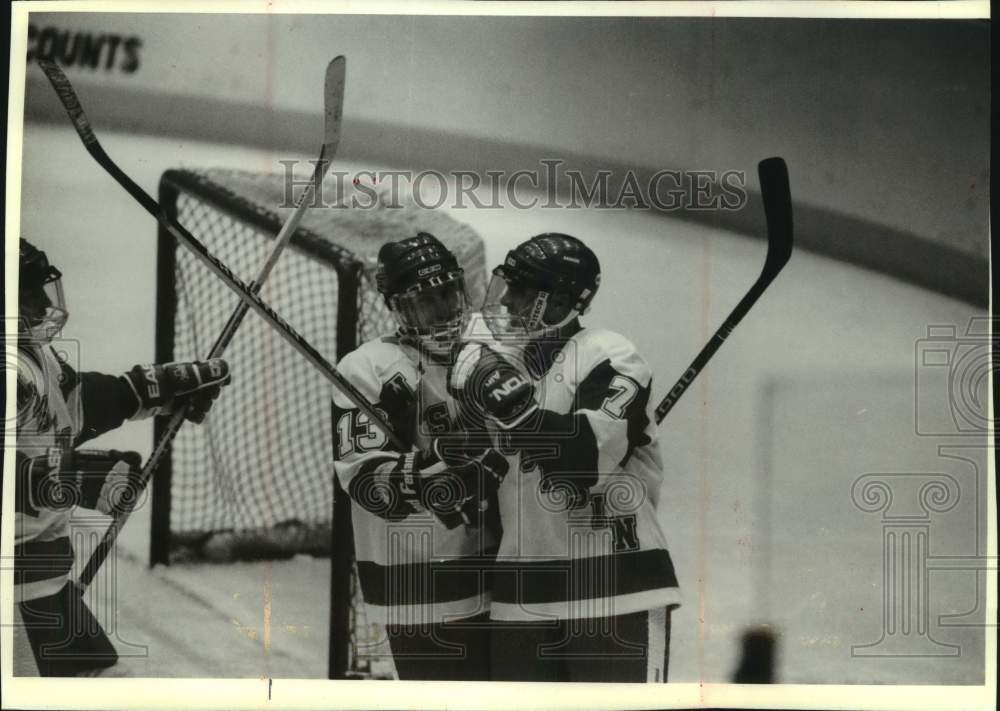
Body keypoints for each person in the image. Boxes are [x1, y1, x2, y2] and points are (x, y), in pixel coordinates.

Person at [451, 232, 681, 682]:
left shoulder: (610, 354)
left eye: (521, 292)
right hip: (521, 593)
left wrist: (509, 403)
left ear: (560, 303)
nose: (507, 302)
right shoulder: (499, 362)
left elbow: (582, 462)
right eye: (507, 286)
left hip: (615, 587)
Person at [13, 238, 232, 676]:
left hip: (38, 571)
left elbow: (72, 406)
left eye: (41, 290)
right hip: (14, 582)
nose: (41, 304)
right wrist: (80, 479)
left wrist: (151, 389)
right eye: (26, 293)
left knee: (101, 684)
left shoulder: (29, 354)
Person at [331, 232, 503, 681]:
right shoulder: (369, 368)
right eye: (425, 301)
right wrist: (433, 469)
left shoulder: (490, 348)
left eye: (448, 293)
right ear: (397, 308)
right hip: (418, 577)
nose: (443, 311)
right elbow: (366, 482)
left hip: (500, 568)